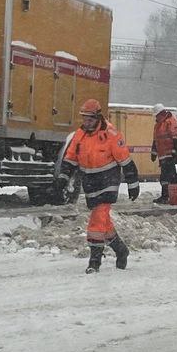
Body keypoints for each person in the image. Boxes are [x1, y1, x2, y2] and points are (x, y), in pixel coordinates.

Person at [59, 98, 140, 273]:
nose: (86, 122)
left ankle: (94, 261)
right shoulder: (79, 135)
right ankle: (120, 249)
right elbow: (70, 159)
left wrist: (133, 183)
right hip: (89, 181)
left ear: (98, 118)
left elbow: (126, 161)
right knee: (104, 221)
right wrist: (62, 179)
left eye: (89, 119)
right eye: (84, 119)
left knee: (97, 219)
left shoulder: (111, 134)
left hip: (108, 180)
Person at [150, 103, 177, 204]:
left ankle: (169, 196)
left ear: (162, 113)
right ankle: (172, 195)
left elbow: (176, 137)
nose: (156, 117)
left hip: (169, 155)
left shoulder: (171, 122)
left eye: (157, 115)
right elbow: (156, 140)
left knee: (167, 176)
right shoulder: (158, 125)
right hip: (163, 155)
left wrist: (175, 151)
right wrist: (153, 152)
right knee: (169, 176)